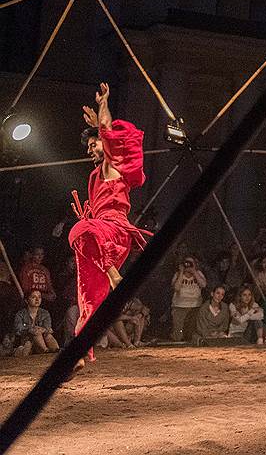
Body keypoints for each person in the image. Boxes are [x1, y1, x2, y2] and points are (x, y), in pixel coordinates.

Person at [67, 83, 150, 371]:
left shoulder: (111, 166)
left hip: (113, 232)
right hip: (100, 242)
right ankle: (77, 354)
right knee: (88, 300)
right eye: (89, 147)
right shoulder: (95, 175)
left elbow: (106, 129)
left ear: (105, 143)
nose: (90, 150)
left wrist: (103, 104)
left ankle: (115, 276)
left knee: (79, 230)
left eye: (94, 144)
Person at [12, 290, 60, 356]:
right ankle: (45, 350)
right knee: (36, 333)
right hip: (26, 340)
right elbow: (18, 329)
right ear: (26, 301)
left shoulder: (45, 313)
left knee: (47, 335)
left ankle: (56, 349)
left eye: (39, 297)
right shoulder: (20, 314)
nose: (37, 299)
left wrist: (41, 330)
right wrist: (30, 329)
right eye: (33, 297)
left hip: (42, 339)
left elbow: (48, 327)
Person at [170, 255, 206, 342]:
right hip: (179, 305)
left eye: (191, 263)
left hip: (195, 306)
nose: (188, 265)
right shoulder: (178, 274)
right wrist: (181, 272)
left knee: (190, 330)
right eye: (186, 263)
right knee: (178, 332)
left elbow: (203, 285)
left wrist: (194, 272)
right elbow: (176, 288)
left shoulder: (198, 273)